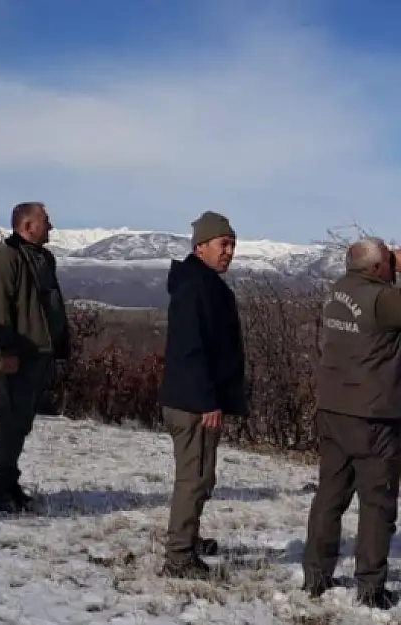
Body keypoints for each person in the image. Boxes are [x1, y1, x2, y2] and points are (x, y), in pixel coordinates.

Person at [302, 237, 401, 608]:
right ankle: (370, 587)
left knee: (330, 497)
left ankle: (316, 576)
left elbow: (379, 315)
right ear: (376, 268)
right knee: (377, 502)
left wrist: (395, 275)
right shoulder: (382, 300)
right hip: (373, 414)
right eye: (389, 260)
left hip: (334, 407)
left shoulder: (337, 291)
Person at [156, 211, 247, 579]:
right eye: (223, 244)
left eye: (232, 246)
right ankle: (179, 557)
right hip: (194, 402)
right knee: (193, 479)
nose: (229, 252)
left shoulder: (201, 282)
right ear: (201, 246)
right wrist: (208, 399)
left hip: (195, 399)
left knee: (201, 477)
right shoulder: (197, 286)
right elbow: (192, 348)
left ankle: (187, 538)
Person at [0, 201, 71, 513]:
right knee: (12, 421)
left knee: (22, 422)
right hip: (16, 355)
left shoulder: (44, 258)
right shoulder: (5, 258)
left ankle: (9, 484)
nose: (51, 226)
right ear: (27, 226)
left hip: (37, 354)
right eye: (46, 221)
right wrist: (5, 351)